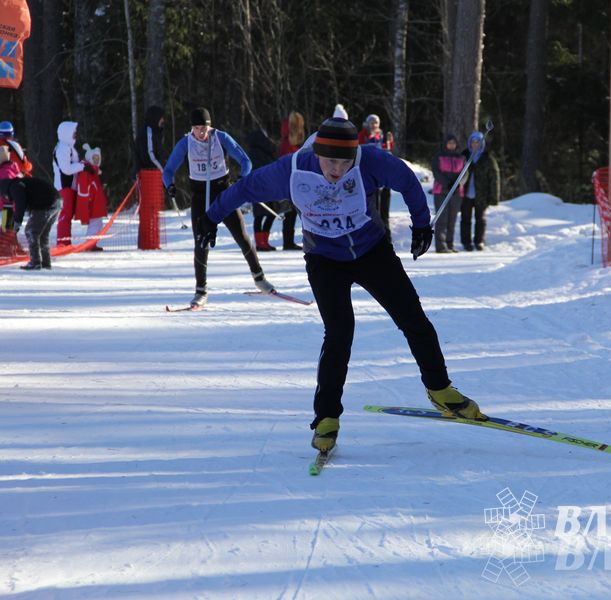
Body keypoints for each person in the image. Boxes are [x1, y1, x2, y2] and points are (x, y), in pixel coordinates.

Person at [197, 117, 486, 452]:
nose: (336, 170)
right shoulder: (292, 170)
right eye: (329, 161)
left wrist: (421, 225)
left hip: (372, 251)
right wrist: (210, 217)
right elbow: (244, 188)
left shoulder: (370, 160)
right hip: (324, 260)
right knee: (339, 333)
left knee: (413, 318)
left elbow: (407, 180)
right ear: (317, 153)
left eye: (344, 163)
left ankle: (440, 389)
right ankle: (326, 418)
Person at [162, 107, 275, 308]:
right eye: (197, 128)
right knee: (201, 242)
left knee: (241, 236)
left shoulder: (220, 138)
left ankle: (260, 279)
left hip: (223, 193)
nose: (201, 133)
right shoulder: (185, 143)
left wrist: (242, 178)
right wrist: (169, 185)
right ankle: (201, 291)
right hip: (200, 196)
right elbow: (168, 170)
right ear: (192, 128)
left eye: (204, 128)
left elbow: (245, 161)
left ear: (210, 126)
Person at [0, 120, 32, 256]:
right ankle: (3, 247)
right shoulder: (13, 148)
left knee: (8, 221)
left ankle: (12, 245)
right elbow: (26, 167)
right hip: (10, 197)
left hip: (5, 197)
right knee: (8, 222)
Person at [53, 121, 95, 246]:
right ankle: (63, 242)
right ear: (66, 133)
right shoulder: (63, 148)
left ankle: (65, 241)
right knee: (65, 214)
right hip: (64, 186)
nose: (75, 135)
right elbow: (66, 168)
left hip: (69, 186)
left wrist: (82, 164)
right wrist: (82, 167)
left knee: (68, 214)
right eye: (73, 132)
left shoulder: (68, 147)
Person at [460, 131, 501, 251]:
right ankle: (466, 242)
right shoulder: (464, 156)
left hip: (481, 194)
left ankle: (479, 241)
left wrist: (494, 197)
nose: (475, 144)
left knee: (480, 219)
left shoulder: (488, 158)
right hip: (466, 193)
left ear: (481, 143)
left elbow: (494, 178)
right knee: (465, 218)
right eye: (473, 142)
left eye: (477, 142)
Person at [11, 176, 62, 270]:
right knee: (43, 234)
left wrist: (17, 222)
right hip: (57, 201)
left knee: (31, 231)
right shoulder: (23, 183)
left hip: (46, 203)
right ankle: (45, 262)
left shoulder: (15, 186)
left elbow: (20, 204)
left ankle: (35, 262)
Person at [358, 114, 395, 241]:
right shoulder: (363, 135)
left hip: (383, 175)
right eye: (371, 123)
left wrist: (390, 143)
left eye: (376, 123)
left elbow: (387, 151)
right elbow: (361, 149)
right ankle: (375, 235)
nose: (374, 125)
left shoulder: (381, 135)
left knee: (384, 207)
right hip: (370, 177)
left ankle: (386, 234)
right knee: (374, 208)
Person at [246, 127, 279, 251]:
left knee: (269, 214)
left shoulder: (260, 151)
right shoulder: (260, 152)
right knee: (263, 214)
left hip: (263, 186)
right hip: (262, 186)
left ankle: (263, 241)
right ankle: (261, 243)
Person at [276, 111, 306, 250]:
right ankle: (288, 241)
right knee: (290, 212)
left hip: (291, 180)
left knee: (292, 213)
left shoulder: (288, 140)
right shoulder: (288, 142)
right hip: (289, 181)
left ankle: (288, 240)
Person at [431, 134, 465, 253]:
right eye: (449, 143)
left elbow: (465, 173)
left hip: (456, 193)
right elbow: (436, 172)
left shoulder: (461, 158)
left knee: (452, 219)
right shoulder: (438, 157)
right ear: (445, 144)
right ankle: (441, 245)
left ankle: (449, 244)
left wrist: (459, 184)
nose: (451, 145)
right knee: (442, 219)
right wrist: (447, 184)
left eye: (453, 143)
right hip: (441, 191)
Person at [134, 105, 166, 173]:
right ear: (156, 117)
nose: (163, 120)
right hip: (147, 174)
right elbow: (149, 156)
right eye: (161, 117)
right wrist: (163, 171)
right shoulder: (148, 132)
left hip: (149, 173)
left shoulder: (154, 132)